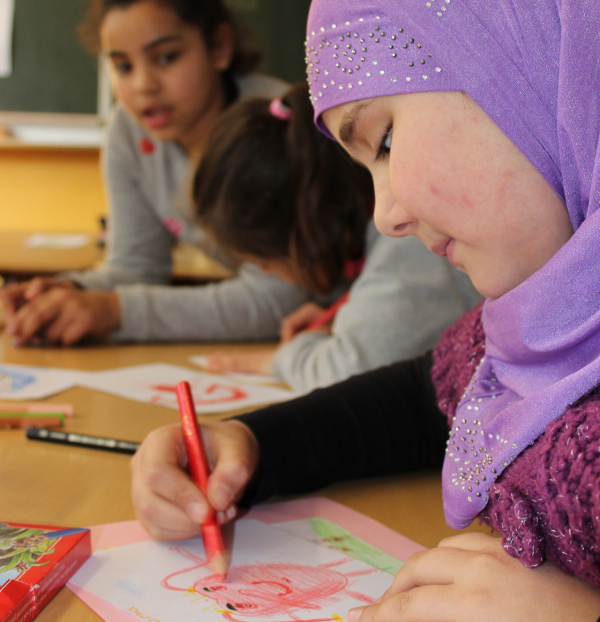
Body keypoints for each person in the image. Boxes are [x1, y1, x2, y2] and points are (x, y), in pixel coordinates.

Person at [130, 0, 600, 622]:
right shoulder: (539, 315)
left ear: (532, 57)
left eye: (381, 140)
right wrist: (254, 447)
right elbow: (428, 399)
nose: (384, 216)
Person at [1, 0, 310, 346]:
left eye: (166, 57)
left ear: (219, 47)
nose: (143, 85)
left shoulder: (275, 126)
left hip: (347, 332)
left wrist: (116, 311)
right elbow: (135, 269)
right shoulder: (129, 134)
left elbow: (280, 298)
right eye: (123, 66)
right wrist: (67, 293)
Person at [191, 83, 480, 392]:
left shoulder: (406, 239)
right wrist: (342, 319)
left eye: (264, 263)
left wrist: (284, 359)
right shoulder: (380, 241)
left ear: (306, 234)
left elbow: (352, 371)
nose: (267, 274)